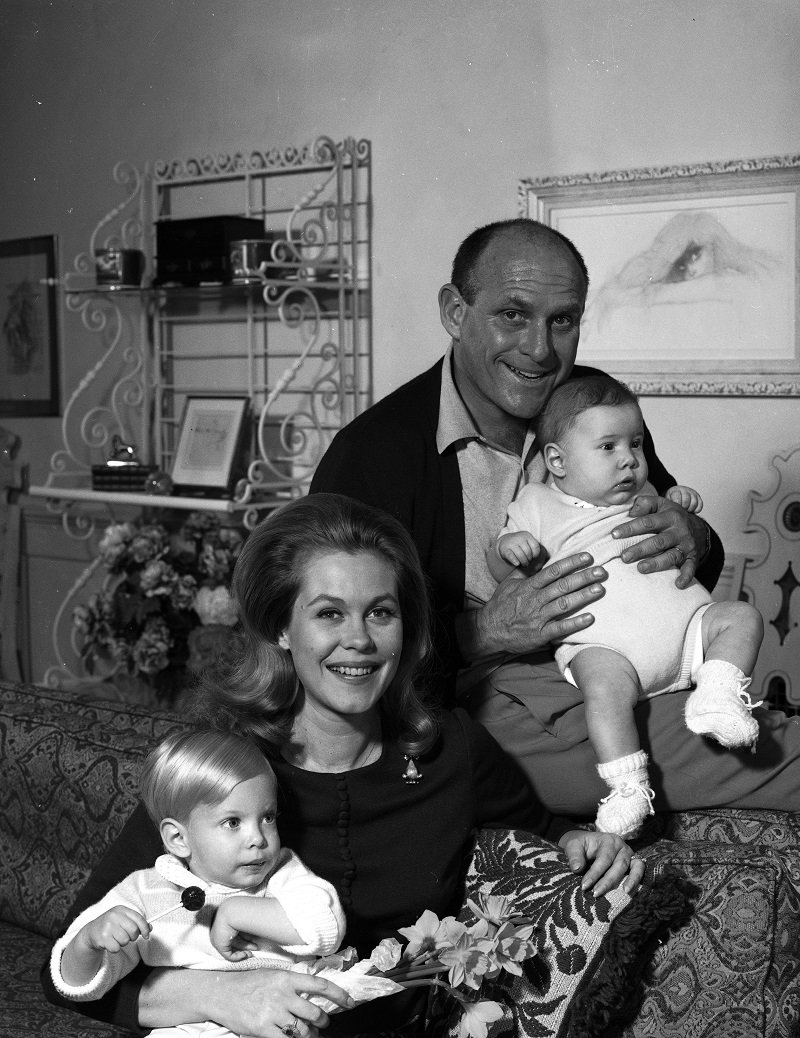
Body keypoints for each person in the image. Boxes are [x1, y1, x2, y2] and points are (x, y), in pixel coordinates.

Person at [42, 493, 643, 1038]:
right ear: (281, 627)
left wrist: (583, 843)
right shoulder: (221, 768)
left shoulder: (451, 747)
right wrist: (220, 995)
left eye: (380, 612)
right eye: (329, 613)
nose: (358, 639)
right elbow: (70, 966)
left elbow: (541, 831)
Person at [310, 216, 800, 820]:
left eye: (561, 320)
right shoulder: (373, 454)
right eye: (512, 314)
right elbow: (336, 645)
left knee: (741, 719)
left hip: (624, 664)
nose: (540, 350)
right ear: (455, 312)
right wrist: (484, 632)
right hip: (486, 695)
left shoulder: (587, 402)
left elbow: (672, 534)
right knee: (755, 753)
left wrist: (691, 534)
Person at [485, 374, 764, 837]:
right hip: (609, 648)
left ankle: (716, 694)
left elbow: (679, 530)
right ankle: (628, 787)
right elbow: (504, 575)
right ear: (557, 460)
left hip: (689, 633)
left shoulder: (645, 491)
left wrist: (681, 506)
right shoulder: (536, 503)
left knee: (740, 617)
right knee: (604, 692)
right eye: (608, 447)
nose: (629, 460)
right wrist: (509, 546)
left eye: (635, 444)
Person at [49, 730, 346, 1038]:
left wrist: (234, 912)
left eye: (267, 817)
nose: (258, 838)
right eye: (233, 822)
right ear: (179, 839)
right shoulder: (144, 891)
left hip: (279, 1023)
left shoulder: (282, 874)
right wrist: (87, 944)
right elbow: (76, 986)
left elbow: (325, 929)